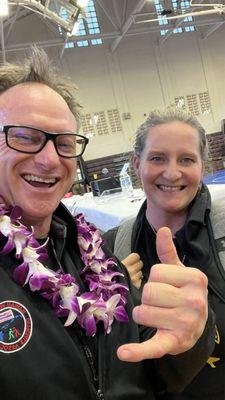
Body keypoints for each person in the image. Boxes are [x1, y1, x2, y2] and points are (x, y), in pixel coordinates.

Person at [0, 48, 215, 400]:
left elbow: (153, 374)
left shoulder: (96, 257)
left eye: (65, 143)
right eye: (25, 137)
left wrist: (190, 338)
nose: (49, 159)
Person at [103, 108, 224, 400]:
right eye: (157, 158)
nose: (172, 173)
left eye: (186, 159)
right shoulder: (111, 249)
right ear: (136, 164)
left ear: (202, 165)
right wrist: (115, 301)